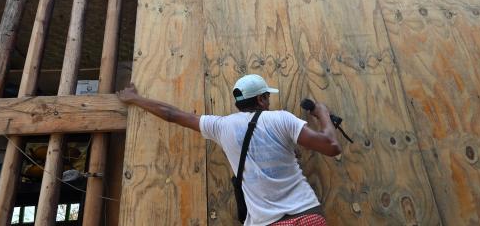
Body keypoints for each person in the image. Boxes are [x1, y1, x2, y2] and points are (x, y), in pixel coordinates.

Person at [118, 74, 341, 226]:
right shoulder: (282, 119)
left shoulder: (222, 126)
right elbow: (331, 147)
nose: (269, 101)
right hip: (307, 215)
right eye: (268, 96)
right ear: (261, 99)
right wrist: (322, 114)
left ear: (238, 103)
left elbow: (172, 114)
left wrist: (134, 98)